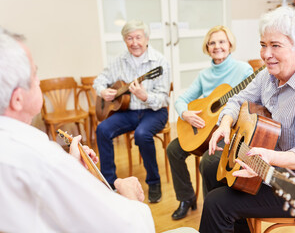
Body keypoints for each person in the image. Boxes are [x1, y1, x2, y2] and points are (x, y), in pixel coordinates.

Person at [199, 6, 295, 233]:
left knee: (217, 203)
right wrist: (226, 122)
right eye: (263, 45)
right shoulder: (268, 76)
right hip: (270, 168)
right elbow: (237, 100)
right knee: (210, 164)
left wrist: (268, 158)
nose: (265, 54)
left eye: (275, 46)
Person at [0, 28, 155, 232]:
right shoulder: (45, 159)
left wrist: (72, 164)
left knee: (143, 134)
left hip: (149, 112)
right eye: (34, 74)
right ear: (18, 99)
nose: (38, 80)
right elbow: (130, 227)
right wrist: (130, 196)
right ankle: (111, 179)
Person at [167, 25, 253, 220]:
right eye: (212, 43)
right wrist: (185, 114)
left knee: (208, 161)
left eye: (222, 41)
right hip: (204, 131)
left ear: (230, 45)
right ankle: (186, 198)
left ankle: (212, 212)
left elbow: (251, 101)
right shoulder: (204, 75)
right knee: (173, 149)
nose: (217, 46)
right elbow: (180, 100)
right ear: (207, 47)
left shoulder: (243, 70)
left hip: (230, 130)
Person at [93, 20, 171, 203]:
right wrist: (103, 91)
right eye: (129, 38)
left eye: (138, 37)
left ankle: (154, 182)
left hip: (155, 111)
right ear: (124, 40)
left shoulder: (159, 62)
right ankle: (109, 182)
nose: (134, 42)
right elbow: (99, 80)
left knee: (142, 134)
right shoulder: (118, 61)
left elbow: (163, 98)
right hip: (128, 111)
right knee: (102, 129)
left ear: (147, 39)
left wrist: (145, 96)